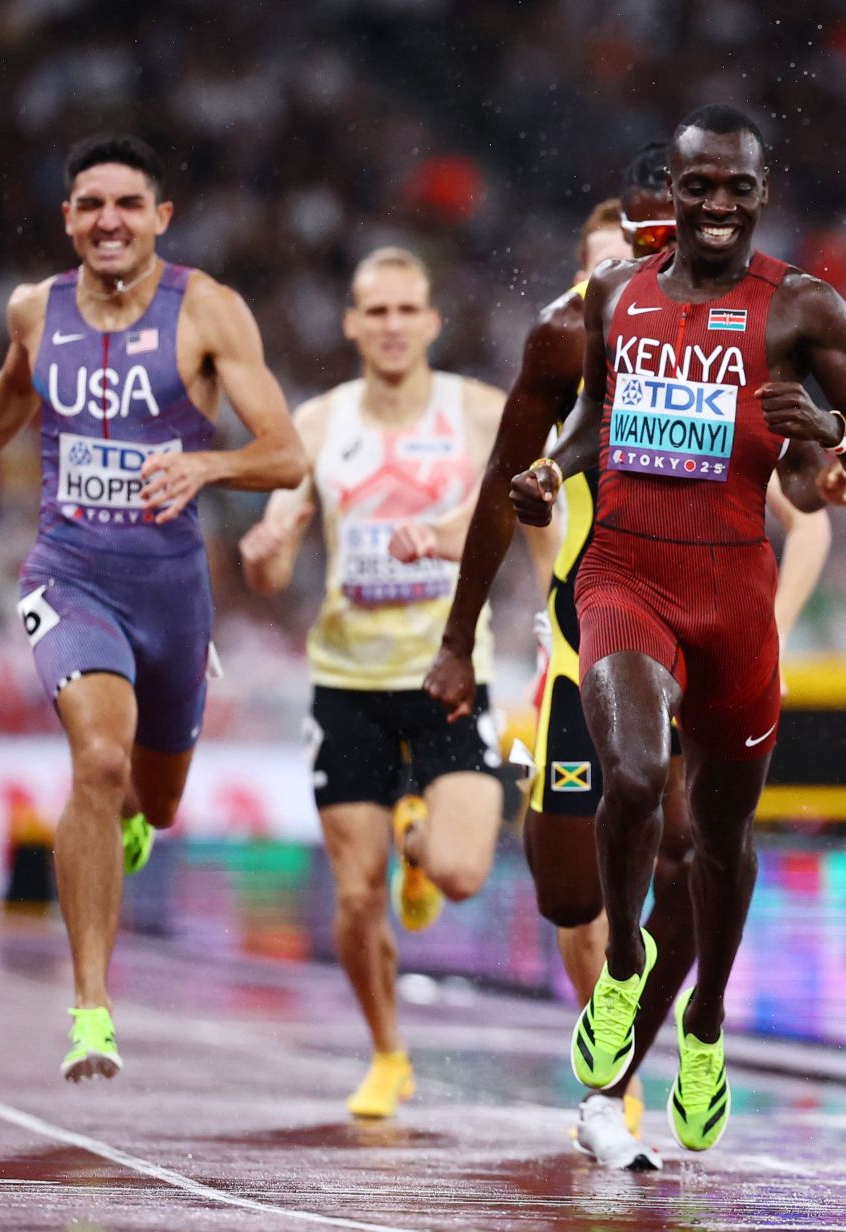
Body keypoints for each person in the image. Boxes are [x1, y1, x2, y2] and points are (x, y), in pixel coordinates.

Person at [425, 145, 846, 1169]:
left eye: (657, 240)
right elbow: (502, 482)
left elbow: (800, 494)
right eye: (623, 246)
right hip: (585, 646)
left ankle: (627, 1072)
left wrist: (808, 505)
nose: (648, 259)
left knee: (694, 847)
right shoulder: (580, 335)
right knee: (571, 893)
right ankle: (616, 1009)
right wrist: (456, 639)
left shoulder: (740, 324)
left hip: (701, 638)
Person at [511, 105, 846, 1154]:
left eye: (737, 187)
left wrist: (828, 434)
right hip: (626, 572)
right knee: (634, 777)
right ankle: (625, 970)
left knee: (722, 840)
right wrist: (558, 462)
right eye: (699, 187)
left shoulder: (801, 307)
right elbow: (598, 416)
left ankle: (708, 1025)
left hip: (735, 594)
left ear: (760, 192)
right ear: (670, 196)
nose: (718, 205)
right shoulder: (615, 296)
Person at [0, 135, 307, 1080]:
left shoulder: (208, 311)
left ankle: (124, 821)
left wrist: (210, 463)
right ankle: (91, 1010)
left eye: (127, 204)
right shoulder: (33, 310)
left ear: (162, 218)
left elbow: (286, 453)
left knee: (154, 802)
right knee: (99, 757)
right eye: (89, 205)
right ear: (68, 219)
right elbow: (7, 398)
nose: (107, 220)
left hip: (170, 591)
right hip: (68, 574)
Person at [237, 247, 505, 1121]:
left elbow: (532, 516)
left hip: (450, 673)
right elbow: (274, 561)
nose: (391, 325)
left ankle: (420, 844)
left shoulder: (478, 413)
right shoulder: (317, 423)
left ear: (431, 321)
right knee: (355, 893)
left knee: (463, 873)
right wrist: (270, 552)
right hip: (347, 680)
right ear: (351, 324)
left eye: (406, 310)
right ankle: (389, 1053)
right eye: (374, 311)